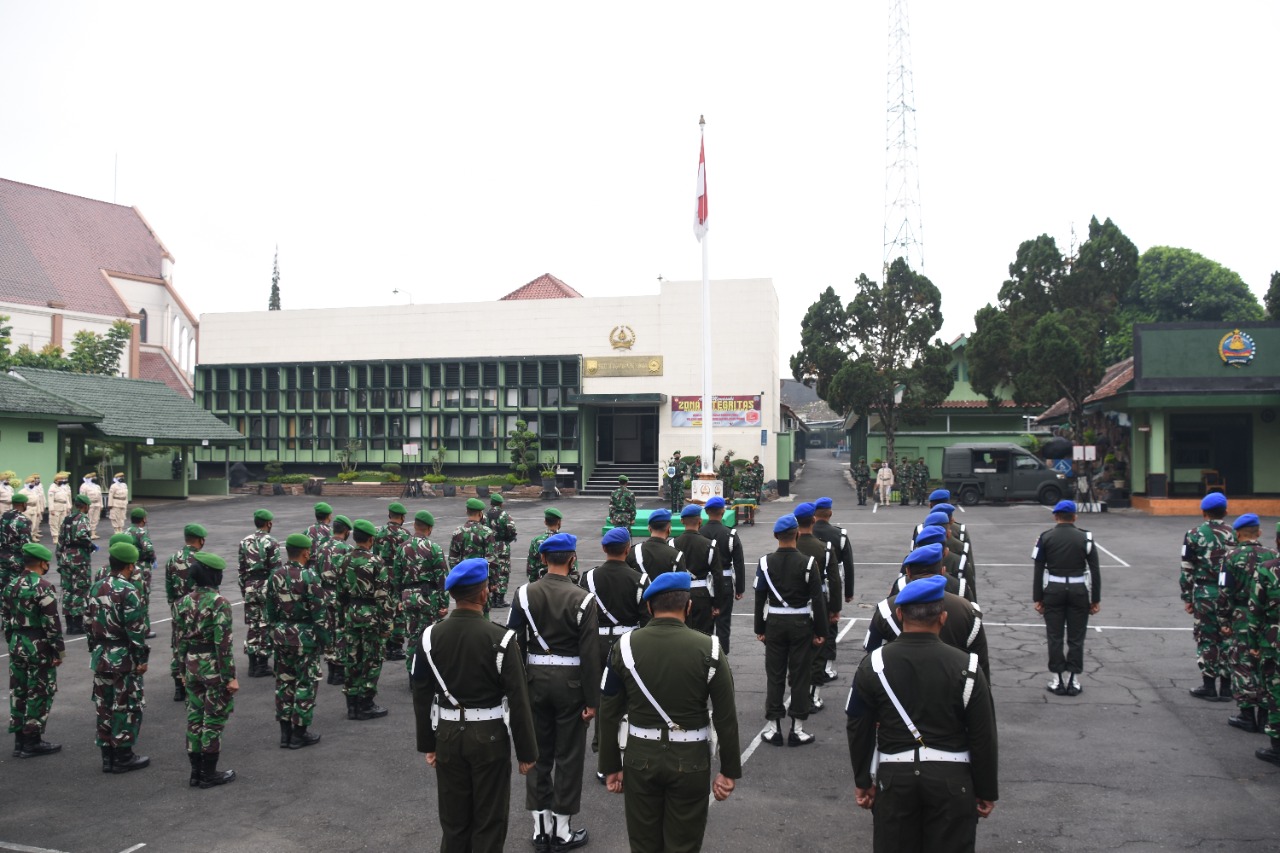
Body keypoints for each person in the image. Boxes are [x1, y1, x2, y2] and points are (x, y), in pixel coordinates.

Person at [846, 574, 999, 852]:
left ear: (900, 613)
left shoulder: (873, 664)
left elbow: (858, 724)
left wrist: (862, 780)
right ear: (942, 618)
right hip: (952, 779)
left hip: (895, 777)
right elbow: (983, 734)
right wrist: (986, 789)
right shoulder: (968, 667)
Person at [597, 571, 741, 853]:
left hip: (640, 758)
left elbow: (608, 710)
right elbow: (726, 716)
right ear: (689, 607)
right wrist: (728, 770)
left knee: (643, 843)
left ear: (649, 607)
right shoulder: (710, 649)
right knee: (684, 844)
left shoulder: (624, 646)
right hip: (690, 761)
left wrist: (610, 765)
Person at [411, 558, 537, 853]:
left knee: (454, 821)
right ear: (483, 594)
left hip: (447, 734)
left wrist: (428, 743)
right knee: (489, 821)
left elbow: (421, 692)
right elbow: (518, 698)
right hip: (489, 735)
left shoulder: (429, 636)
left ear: (453, 595)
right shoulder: (502, 638)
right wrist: (527, 752)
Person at [507, 533, 600, 851]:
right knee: (569, 756)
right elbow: (590, 654)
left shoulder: (523, 594)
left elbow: (513, 646)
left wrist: (516, 690)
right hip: (572, 683)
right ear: (572, 560)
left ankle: (540, 827)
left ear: (543, 560)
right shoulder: (584, 599)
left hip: (534, 681)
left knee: (537, 755)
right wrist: (592, 700)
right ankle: (562, 830)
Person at [864, 544, 990, 678]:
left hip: (897, 682)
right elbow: (980, 665)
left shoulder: (886, 608)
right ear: (942, 571)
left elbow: (871, 650)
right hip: (954, 685)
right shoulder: (968, 610)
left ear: (908, 571)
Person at [755, 514, 827, 746]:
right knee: (800, 676)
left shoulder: (765, 562)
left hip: (774, 623)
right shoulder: (808, 563)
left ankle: (774, 727)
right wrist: (820, 631)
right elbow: (817, 600)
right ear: (796, 534)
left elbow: (760, 598)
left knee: (775, 676)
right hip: (801, 624)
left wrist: (760, 628)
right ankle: (797, 729)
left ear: (776, 536)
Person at [580, 527, 644, 766]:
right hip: (628, 643)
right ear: (627, 549)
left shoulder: (588, 578)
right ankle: (628, 752)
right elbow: (646, 617)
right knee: (630, 699)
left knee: (603, 700)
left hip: (597, 643)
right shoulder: (640, 580)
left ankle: (605, 759)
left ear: (604, 549)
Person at [174, 551, 238, 788]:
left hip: (191, 665)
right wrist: (230, 677)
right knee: (212, 720)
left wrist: (181, 670)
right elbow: (223, 643)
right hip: (213, 668)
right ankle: (209, 774)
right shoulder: (219, 602)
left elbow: (178, 640)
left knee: (194, 718)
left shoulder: (182, 602)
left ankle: (195, 773)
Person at [85, 540, 151, 773]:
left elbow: (88, 622)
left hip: (101, 655)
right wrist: (141, 659)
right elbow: (135, 629)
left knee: (104, 705)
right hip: (123, 657)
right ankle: (123, 755)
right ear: (130, 566)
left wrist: (95, 648)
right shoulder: (128, 590)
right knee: (126, 704)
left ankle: (107, 756)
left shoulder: (96, 586)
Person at [267, 533, 331, 749]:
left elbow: (270, 609)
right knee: (305, 684)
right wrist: (325, 641)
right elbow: (320, 614)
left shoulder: (275, 575)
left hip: (282, 635)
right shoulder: (310, 577)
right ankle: (299, 733)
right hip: (305, 638)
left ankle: (285, 734)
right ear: (305, 552)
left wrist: (276, 630)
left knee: (284, 683)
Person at [1033, 500, 1102, 696]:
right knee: (1076, 637)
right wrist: (1095, 598)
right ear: (1075, 517)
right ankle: (1073, 678)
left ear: (1056, 516)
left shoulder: (1045, 537)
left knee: (1054, 636)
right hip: (1078, 589)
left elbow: (1038, 569)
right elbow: (1095, 570)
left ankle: (1057, 678)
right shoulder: (1086, 538)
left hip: (1053, 590)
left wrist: (1038, 597)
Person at [2, 542, 65, 758]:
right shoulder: (43, 587)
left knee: (18, 690)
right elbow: (51, 623)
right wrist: (58, 651)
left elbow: (6, 619)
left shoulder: (11, 585)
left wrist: (12, 641)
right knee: (39, 691)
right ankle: (32, 740)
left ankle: (20, 740)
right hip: (38, 644)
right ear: (42, 563)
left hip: (17, 642)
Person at [1217, 513, 1276, 733]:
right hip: (1266, 618)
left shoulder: (1230, 557)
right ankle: (1264, 716)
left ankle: (1246, 714)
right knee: (1265, 664)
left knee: (1242, 663)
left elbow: (1224, 591)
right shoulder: (1272, 555)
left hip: (1241, 614)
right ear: (1259, 532)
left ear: (1237, 533)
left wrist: (1223, 619)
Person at [336, 519, 394, 721]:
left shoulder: (344, 559)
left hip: (352, 612)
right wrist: (387, 624)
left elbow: (340, 592)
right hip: (371, 615)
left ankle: (351, 704)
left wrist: (343, 617)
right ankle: (366, 703)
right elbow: (382, 596)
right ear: (371, 539)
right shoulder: (376, 562)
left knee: (352, 657)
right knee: (372, 659)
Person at [1181, 492, 1236, 701]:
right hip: (1229, 594)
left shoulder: (1193, 534)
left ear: (1203, 512)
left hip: (1204, 593)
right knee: (1228, 637)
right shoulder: (1235, 534)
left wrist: (1187, 596)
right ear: (1226, 511)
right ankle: (1227, 688)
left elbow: (1187, 567)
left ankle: (1209, 686)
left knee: (1206, 638)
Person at [794, 502, 840, 710]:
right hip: (820, 602)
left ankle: (798, 693)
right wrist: (835, 609)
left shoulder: (790, 545)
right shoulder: (824, 548)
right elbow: (835, 580)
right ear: (813, 520)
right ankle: (813, 695)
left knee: (797, 652)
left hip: (794, 604)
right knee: (818, 649)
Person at [396, 511, 449, 677]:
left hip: (408, 597)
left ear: (414, 525)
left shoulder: (402, 548)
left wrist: (399, 598)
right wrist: (443, 603)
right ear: (430, 528)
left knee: (412, 636)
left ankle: (412, 674)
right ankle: (426, 673)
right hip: (427, 598)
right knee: (428, 636)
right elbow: (442, 579)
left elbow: (396, 577)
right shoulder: (433, 548)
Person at [813, 496, 855, 680]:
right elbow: (848, 566)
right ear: (830, 513)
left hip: (807, 587)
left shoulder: (805, 532)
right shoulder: (840, 535)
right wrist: (848, 593)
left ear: (814, 515)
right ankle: (827, 667)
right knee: (830, 626)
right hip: (831, 587)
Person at [1248, 524, 1280, 766]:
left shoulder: (1267, 569)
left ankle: (1277, 747)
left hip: (1273, 638)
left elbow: (1256, 610)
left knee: (1275, 691)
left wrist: (1253, 642)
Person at [238, 508, 282, 678]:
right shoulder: (271, 541)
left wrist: (245, 589)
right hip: (265, 585)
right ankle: (262, 664)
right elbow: (275, 570)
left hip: (250, 585)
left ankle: (252, 663)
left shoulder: (244, 541)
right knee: (266, 624)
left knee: (253, 623)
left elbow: (241, 569)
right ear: (268, 523)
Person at [166, 524, 206, 701]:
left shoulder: (172, 559)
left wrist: (174, 606)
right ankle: (197, 681)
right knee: (198, 643)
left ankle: (178, 686)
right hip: (197, 608)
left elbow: (168, 588)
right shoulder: (202, 559)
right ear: (201, 540)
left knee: (178, 645)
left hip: (178, 607)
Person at [701, 496, 744, 653]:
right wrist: (739, 588)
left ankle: (705, 655)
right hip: (725, 582)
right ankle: (722, 658)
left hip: (704, 582)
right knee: (723, 624)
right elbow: (738, 563)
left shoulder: (700, 533)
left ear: (706, 512)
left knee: (705, 626)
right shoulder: (730, 534)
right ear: (723, 511)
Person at [315, 515, 354, 686]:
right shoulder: (347, 549)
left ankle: (331, 668)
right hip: (338, 595)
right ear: (346, 531)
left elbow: (315, 571)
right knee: (341, 631)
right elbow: (349, 576)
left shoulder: (321, 547)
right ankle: (338, 670)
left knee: (328, 630)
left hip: (323, 592)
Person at [673, 504, 720, 635]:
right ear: (700, 521)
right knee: (703, 634)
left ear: (682, 521)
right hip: (703, 595)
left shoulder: (672, 544)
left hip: (679, 594)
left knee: (681, 633)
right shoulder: (710, 545)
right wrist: (717, 603)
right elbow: (717, 575)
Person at [375, 502, 412, 660]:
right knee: (399, 610)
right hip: (398, 575)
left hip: (382, 574)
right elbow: (408, 557)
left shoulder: (379, 533)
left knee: (384, 607)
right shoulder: (405, 534)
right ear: (402, 517)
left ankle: (384, 642)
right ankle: (395, 646)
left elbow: (375, 555)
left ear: (389, 515)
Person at [450, 498, 497, 615]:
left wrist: (458, 577)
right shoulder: (486, 532)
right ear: (481, 514)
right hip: (481, 581)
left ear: (467, 511)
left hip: (463, 579)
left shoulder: (458, 532)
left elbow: (452, 559)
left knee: (463, 610)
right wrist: (493, 582)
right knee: (482, 613)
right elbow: (492, 560)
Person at [56, 494, 94, 635]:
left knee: (67, 590)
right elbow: (82, 535)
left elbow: (60, 541)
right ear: (85, 506)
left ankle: (69, 625)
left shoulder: (67, 519)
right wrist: (90, 545)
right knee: (80, 589)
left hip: (66, 558)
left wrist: (60, 558)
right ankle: (78, 624)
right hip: (79, 559)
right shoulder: (82, 518)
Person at [626, 509, 684, 591]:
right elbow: (681, 586)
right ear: (669, 529)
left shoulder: (634, 551)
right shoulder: (676, 555)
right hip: (666, 601)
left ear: (649, 528)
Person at [124, 507, 157, 639]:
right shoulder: (141, 532)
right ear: (143, 519)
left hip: (128, 567)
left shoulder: (126, 532)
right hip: (142, 568)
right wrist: (151, 557)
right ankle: (144, 629)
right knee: (143, 597)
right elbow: (148, 549)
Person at [484, 493, 518, 610]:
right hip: (502, 545)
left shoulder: (486, 515)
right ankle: (500, 598)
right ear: (501, 503)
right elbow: (512, 529)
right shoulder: (504, 515)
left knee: (491, 570)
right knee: (503, 571)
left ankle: (492, 597)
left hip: (490, 546)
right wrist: (508, 538)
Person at [0, 492, 34, 592]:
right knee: (15, 588)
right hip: (16, 559)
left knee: (3, 587)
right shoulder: (23, 520)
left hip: (2, 556)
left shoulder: (3, 517)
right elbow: (26, 543)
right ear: (23, 504)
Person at [528, 508, 564, 582]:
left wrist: (533, 582)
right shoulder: (565, 540)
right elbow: (573, 566)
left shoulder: (536, 541)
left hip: (541, 582)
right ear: (559, 522)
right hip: (562, 582)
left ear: (545, 522)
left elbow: (531, 565)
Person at [47, 472, 71, 549]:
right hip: (56, 506)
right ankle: (55, 537)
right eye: (61, 479)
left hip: (63, 507)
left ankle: (61, 536)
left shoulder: (63, 487)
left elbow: (66, 498)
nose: (62, 480)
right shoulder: (52, 487)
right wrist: (51, 509)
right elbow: (50, 499)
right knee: (54, 522)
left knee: (62, 523)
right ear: (56, 480)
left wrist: (68, 507)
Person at [21, 475, 45, 543]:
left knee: (33, 524)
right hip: (27, 509)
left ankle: (32, 536)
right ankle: (26, 538)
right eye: (31, 483)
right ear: (28, 483)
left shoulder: (34, 491)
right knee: (27, 524)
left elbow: (37, 501)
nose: (33, 484)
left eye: (34, 483)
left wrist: (38, 510)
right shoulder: (23, 491)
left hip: (34, 509)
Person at [79, 472, 103, 540]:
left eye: (95, 477)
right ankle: (87, 533)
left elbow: (100, 496)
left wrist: (101, 505)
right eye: (93, 477)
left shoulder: (97, 486)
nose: (95, 478)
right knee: (88, 519)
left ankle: (93, 533)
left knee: (95, 519)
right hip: (89, 504)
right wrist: (84, 506)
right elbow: (82, 497)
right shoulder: (84, 486)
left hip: (97, 504)